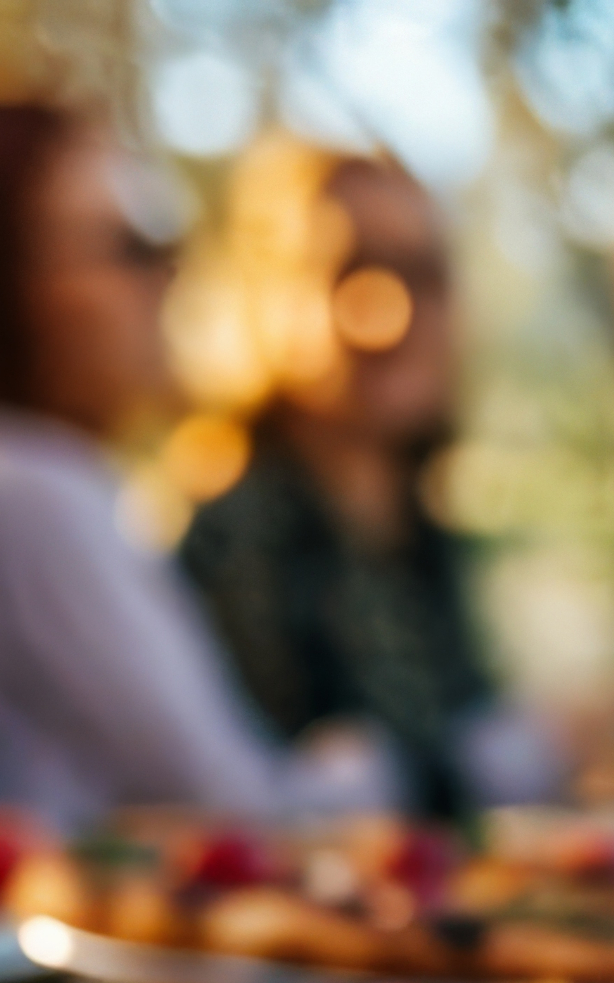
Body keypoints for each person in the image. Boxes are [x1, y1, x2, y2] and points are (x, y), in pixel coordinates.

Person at [0, 104, 384, 828]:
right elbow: (235, 810)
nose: (169, 274)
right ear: (5, 282)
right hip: (22, 940)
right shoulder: (24, 496)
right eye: (132, 245)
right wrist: (375, 767)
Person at [176, 151, 560, 825]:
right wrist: (529, 752)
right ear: (264, 296)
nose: (389, 312)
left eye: (423, 274)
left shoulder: (424, 531)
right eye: (350, 271)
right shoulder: (236, 537)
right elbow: (279, 807)